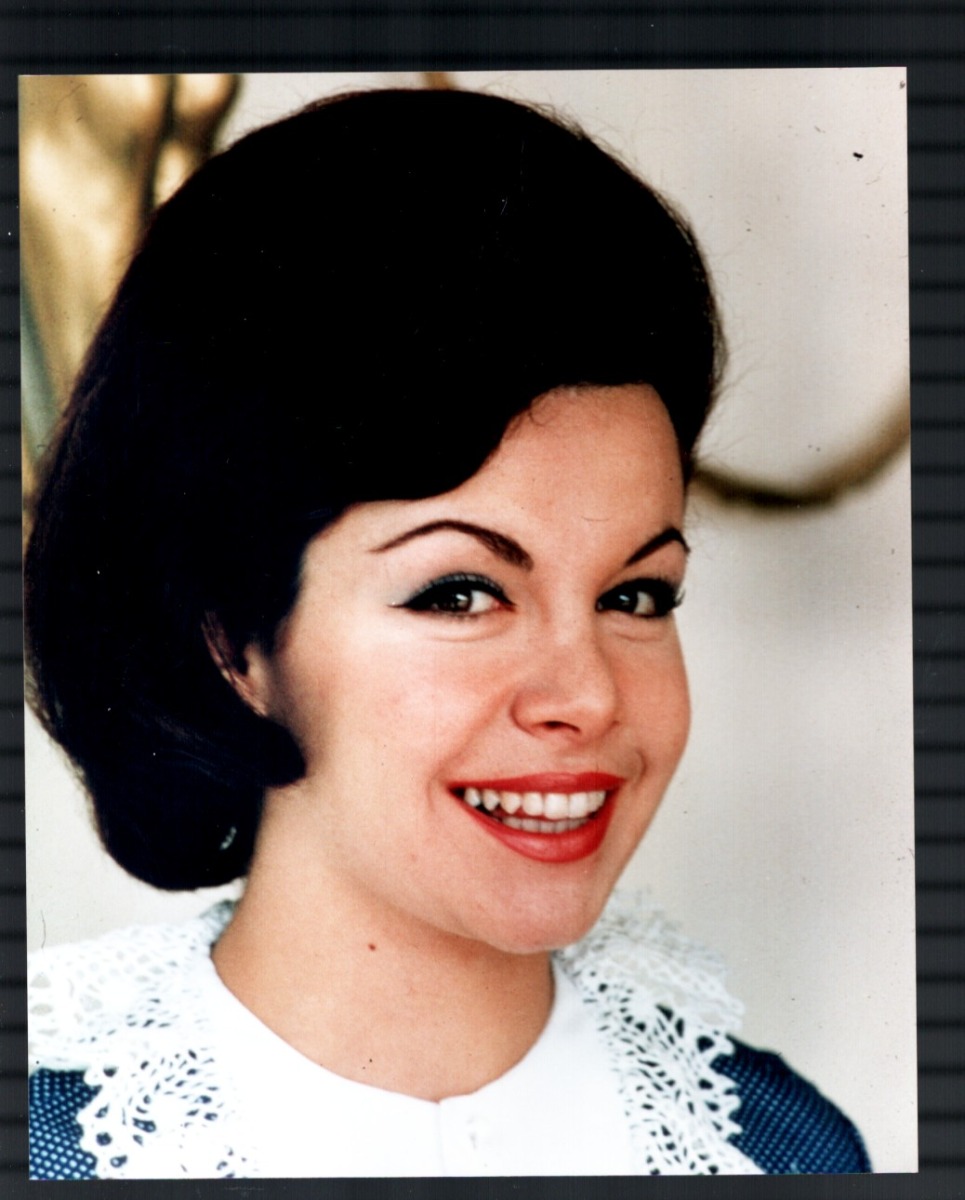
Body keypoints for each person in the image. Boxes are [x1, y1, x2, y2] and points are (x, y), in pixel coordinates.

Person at [25, 86, 871, 1179]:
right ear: (231, 640)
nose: (588, 697)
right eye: (461, 594)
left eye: (635, 596)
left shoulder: (783, 1150)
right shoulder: (60, 1154)